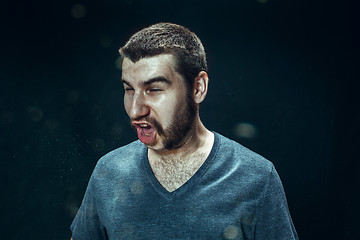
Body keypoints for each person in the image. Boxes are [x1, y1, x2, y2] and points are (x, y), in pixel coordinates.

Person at [70, 22, 298, 240]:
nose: (135, 110)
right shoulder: (109, 172)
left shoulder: (256, 177)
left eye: (154, 89)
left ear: (198, 88)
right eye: (129, 90)